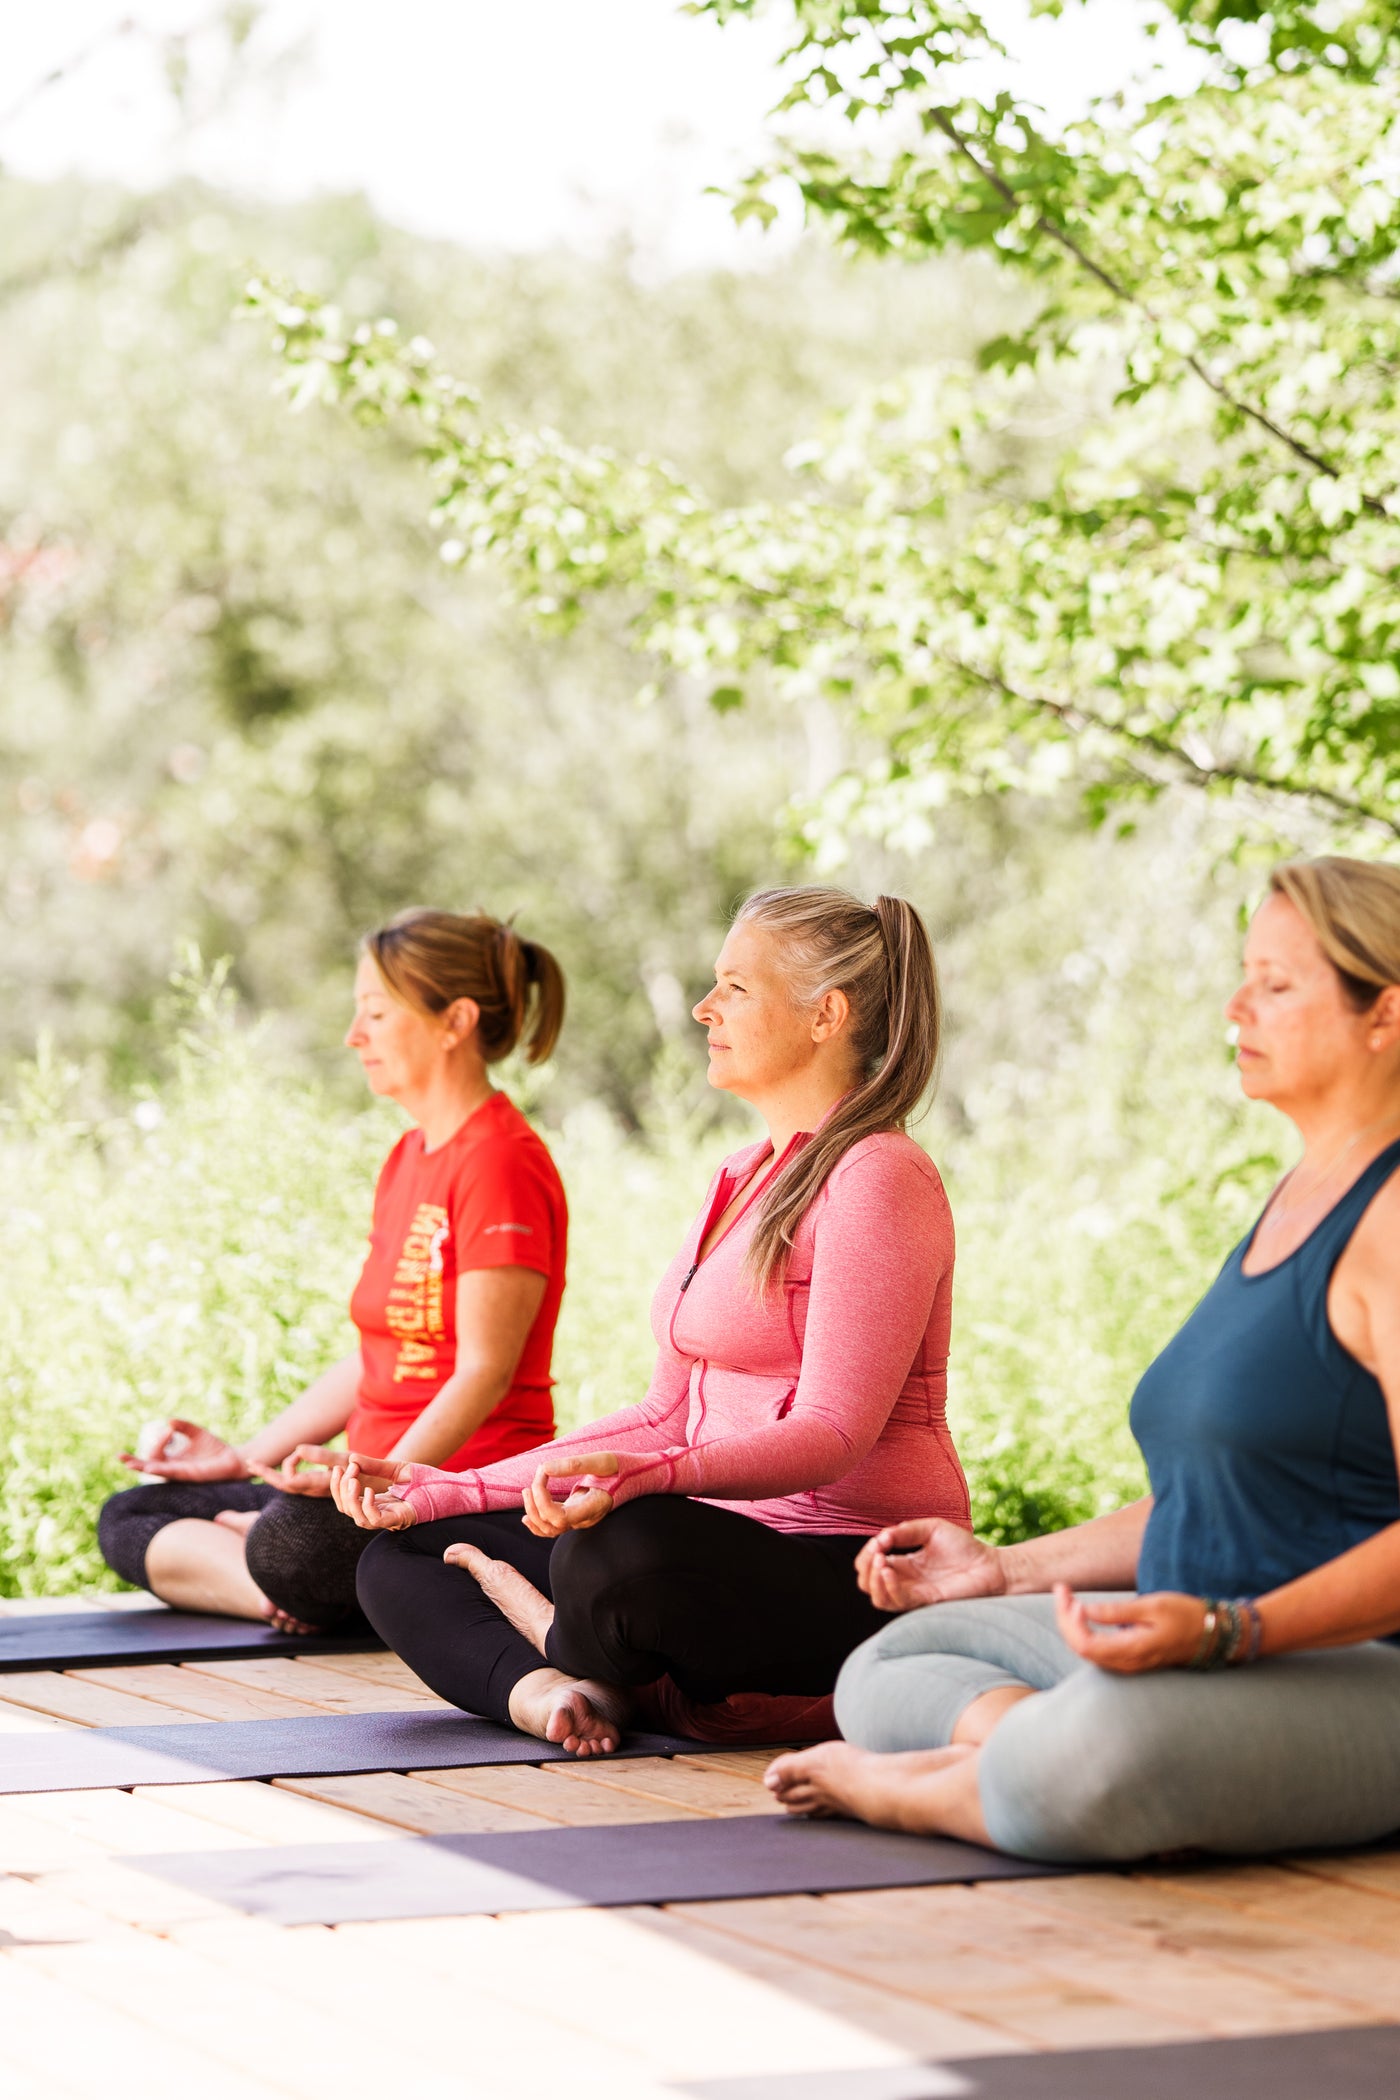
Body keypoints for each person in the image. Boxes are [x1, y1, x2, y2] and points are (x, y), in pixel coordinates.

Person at [766, 856, 1400, 1864]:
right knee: (891, 1663)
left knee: (1108, 1751)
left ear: (1383, 1016)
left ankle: (947, 1789)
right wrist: (1001, 1569)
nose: (1236, 1003)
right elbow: (1219, 1499)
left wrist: (1229, 1632)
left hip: (1347, 1670)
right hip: (1192, 1650)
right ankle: (1018, 1761)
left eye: (1275, 984)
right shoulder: (1293, 1200)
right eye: (1243, 973)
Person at [327, 885, 969, 1756]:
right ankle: (558, 1691)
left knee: (618, 1551)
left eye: (736, 987)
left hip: (850, 1566)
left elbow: (833, 1432)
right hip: (713, 1545)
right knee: (404, 1553)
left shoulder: (880, 1177)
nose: (708, 1008)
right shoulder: (742, 1176)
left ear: (826, 1015)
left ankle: (583, 1648)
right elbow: (663, 1414)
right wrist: (452, 1488)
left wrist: (645, 1480)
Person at [97, 908, 569, 1635]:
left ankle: (278, 1571)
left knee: (296, 1543)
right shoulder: (409, 1157)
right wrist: (247, 1460)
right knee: (132, 1514)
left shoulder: (501, 1162)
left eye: (376, 1014)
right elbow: (376, 1357)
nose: (355, 1037)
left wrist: (380, 1490)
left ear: (456, 1021)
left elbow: (483, 1372)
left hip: (453, 1492)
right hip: (364, 1484)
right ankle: (273, 1587)